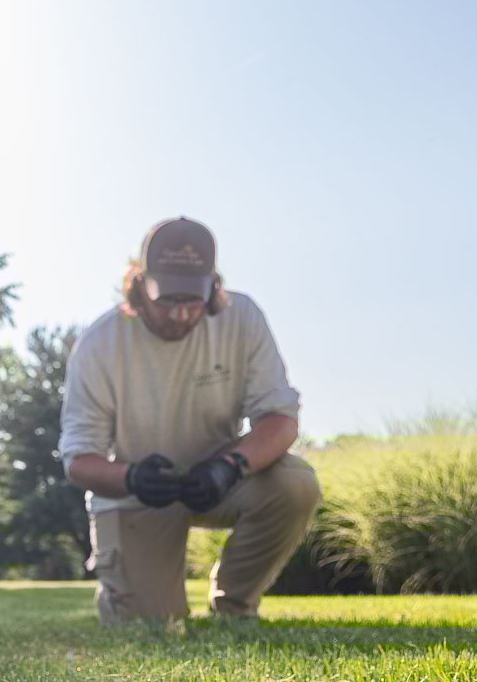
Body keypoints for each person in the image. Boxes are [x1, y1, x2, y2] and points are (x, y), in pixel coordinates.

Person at [58, 217, 322, 623]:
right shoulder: (99, 344)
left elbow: (280, 419)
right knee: (152, 626)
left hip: (220, 478)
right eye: (167, 299)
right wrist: (132, 478)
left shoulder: (243, 317)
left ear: (214, 288)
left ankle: (234, 606)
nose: (181, 314)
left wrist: (229, 466)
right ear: (138, 286)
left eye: (193, 300)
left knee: (296, 483)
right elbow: (78, 460)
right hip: (135, 493)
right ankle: (124, 592)